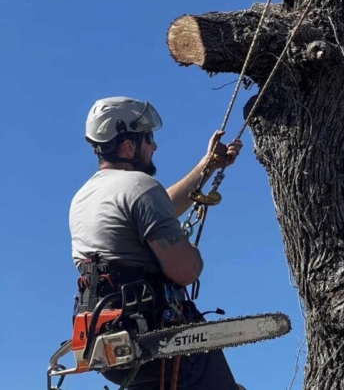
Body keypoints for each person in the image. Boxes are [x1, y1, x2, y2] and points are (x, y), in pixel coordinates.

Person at [69, 96, 245, 390]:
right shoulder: (139, 186)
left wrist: (207, 166)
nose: (154, 146)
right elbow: (184, 271)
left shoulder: (85, 197)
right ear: (128, 146)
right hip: (157, 338)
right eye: (148, 139)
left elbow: (162, 205)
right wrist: (192, 256)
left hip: (111, 343)